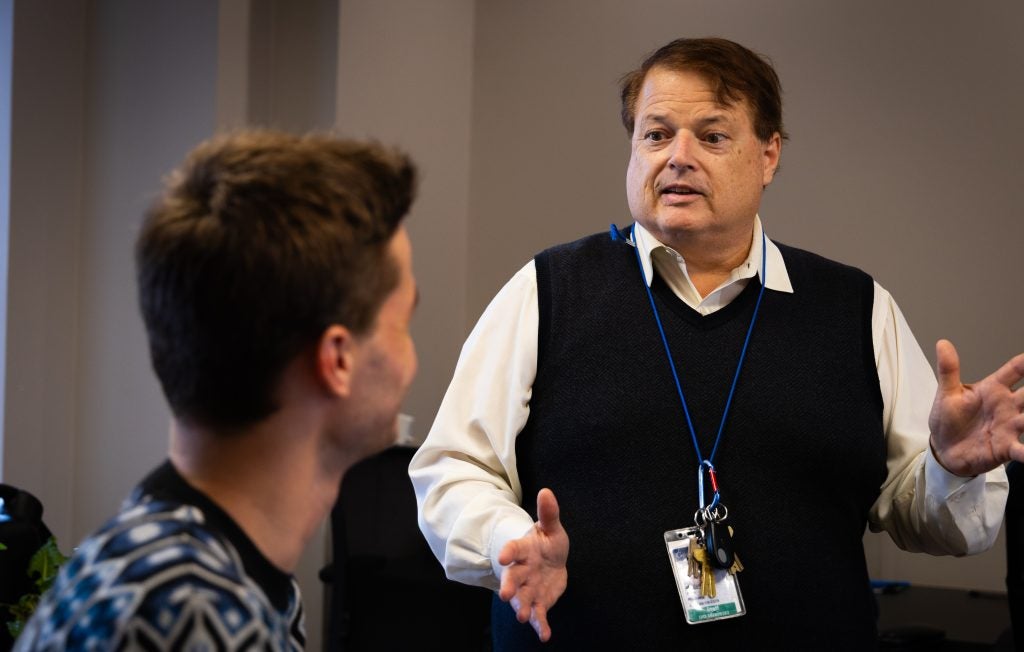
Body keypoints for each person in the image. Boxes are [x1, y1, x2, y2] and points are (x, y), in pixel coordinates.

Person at [409, 37, 1024, 649]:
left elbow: (944, 525)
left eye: (711, 136)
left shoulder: (858, 308)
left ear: (768, 155)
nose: (677, 157)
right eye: (656, 134)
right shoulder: (546, 290)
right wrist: (506, 540)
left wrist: (948, 467)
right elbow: (454, 469)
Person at [15, 130, 419, 651]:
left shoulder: (193, 574)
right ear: (337, 360)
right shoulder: (188, 614)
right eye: (404, 321)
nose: (412, 357)